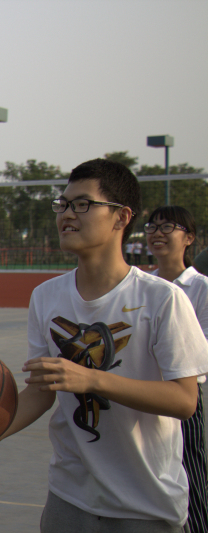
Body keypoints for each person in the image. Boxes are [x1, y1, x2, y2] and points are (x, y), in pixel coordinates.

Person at [0, 159, 208, 532]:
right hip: (68, 498)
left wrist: (93, 379)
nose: (67, 214)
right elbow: (41, 392)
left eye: (82, 204)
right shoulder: (46, 296)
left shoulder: (163, 299)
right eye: (63, 204)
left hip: (145, 505)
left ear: (121, 217)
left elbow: (184, 400)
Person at [146, 205, 208, 533]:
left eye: (167, 227)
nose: (157, 233)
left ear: (189, 238)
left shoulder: (201, 288)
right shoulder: (142, 286)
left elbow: (202, 354)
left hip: (181, 396)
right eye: (152, 227)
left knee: (190, 479)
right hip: (140, 397)